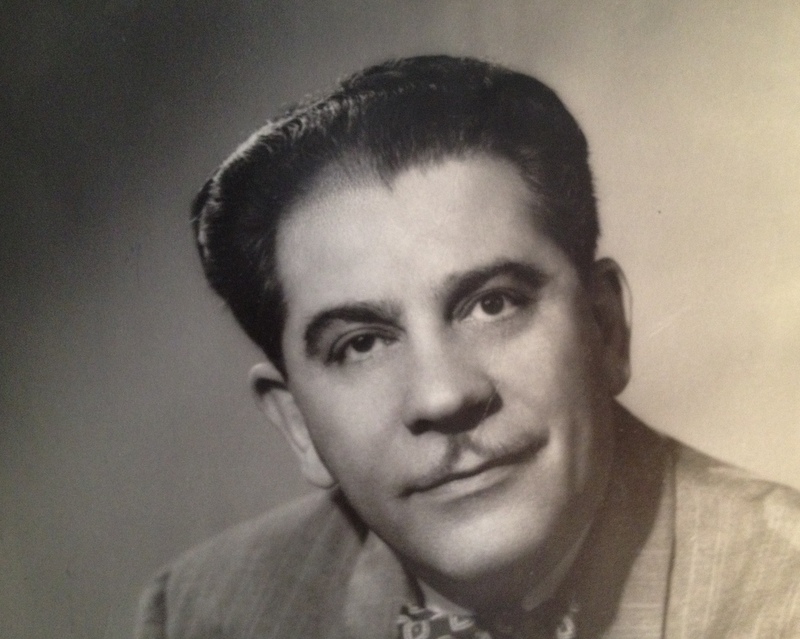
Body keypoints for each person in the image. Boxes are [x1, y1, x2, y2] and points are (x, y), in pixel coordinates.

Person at [135, 55, 800, 639]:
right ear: (297, 425)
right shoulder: (203, 612)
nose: (444, 395)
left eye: (493, 304)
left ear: (605, 328)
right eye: (361, 344)